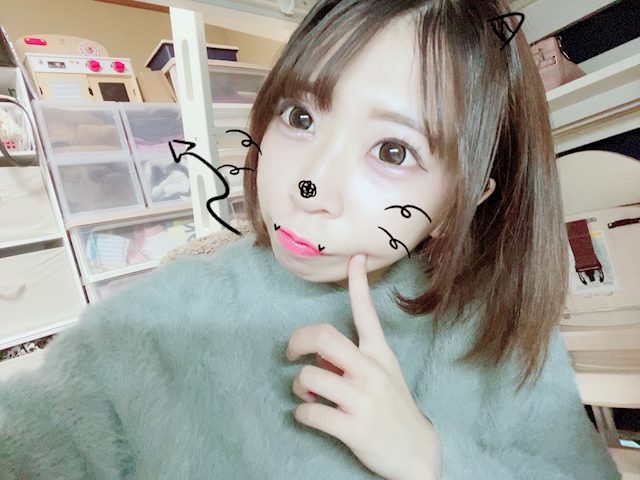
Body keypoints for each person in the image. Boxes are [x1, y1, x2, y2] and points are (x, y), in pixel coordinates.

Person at [0, 0, 621, 478]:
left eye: (392, 150)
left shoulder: (496, 332)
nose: (311, 185)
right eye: (300, 117)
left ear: (469, 196)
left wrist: (430, 459)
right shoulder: (158, 323)